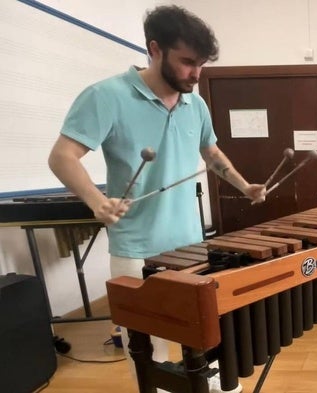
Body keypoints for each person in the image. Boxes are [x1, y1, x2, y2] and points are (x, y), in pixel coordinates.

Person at [48, 5, 265, 393]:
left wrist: (244, 185)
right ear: (155, 48)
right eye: (187, 62)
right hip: (136, 250)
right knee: (149, 355)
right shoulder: (106, 96)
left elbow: (211, 154)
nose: (196, 74)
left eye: (201, 64)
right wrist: (98, 201)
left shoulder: (195, 104)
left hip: (192, 247)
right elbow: (62, 156)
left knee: (198, 340)